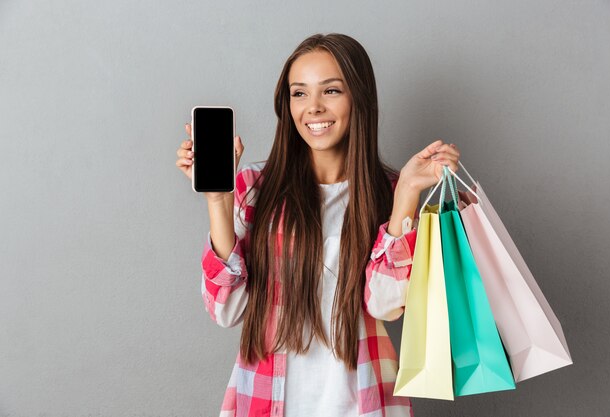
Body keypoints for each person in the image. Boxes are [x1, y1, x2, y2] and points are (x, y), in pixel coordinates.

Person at [176, 33, 460, 417]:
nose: (313, 108)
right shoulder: (254, 189)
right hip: (266, 401)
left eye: (330, 91)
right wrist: (217, 201)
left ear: (358, 97)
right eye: (299, 94)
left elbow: (385, 305)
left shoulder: (389, 192)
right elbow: (226, 311)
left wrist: (408, 190)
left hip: (364, 402)